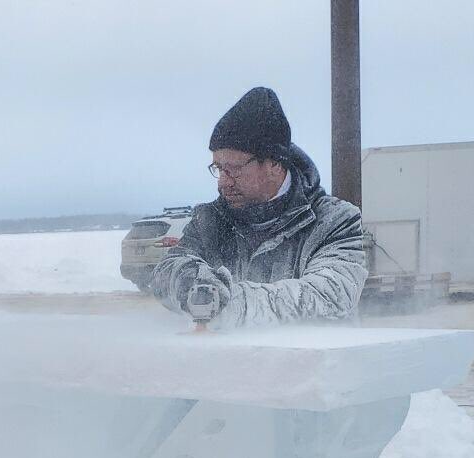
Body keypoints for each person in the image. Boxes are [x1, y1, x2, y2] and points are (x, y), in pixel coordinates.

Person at [151, 87, 367, 329]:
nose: (223, 182)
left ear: (275, 164)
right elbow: (165, 272)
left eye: (234, 169)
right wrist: (189, 279)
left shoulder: (335, 221)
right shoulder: (210, 220)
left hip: (317, 354)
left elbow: (330, 296)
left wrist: (231, 302)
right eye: (219, 169)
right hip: (226, 354)